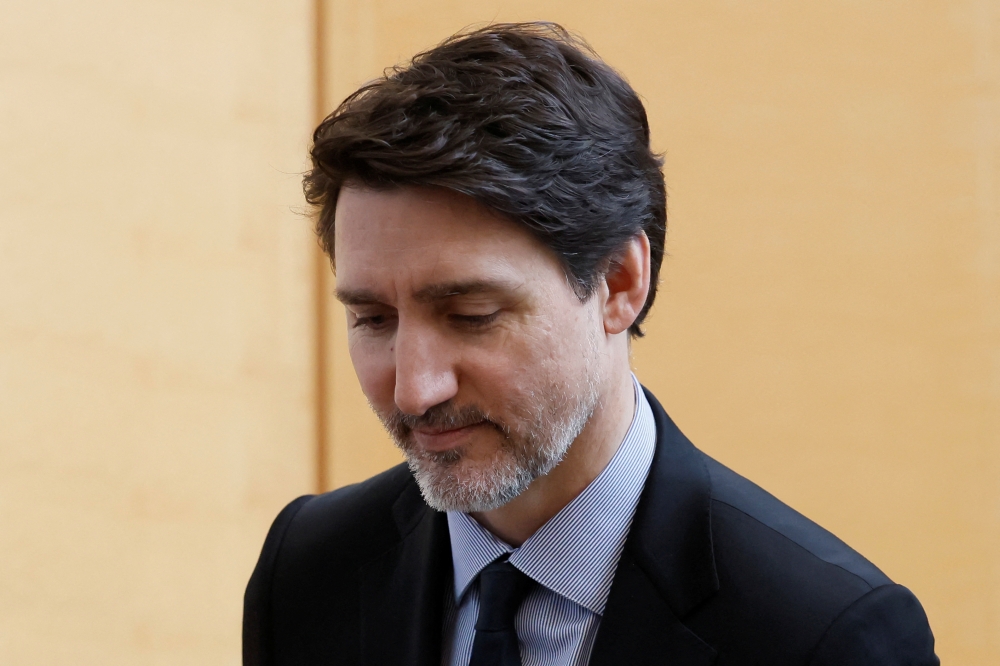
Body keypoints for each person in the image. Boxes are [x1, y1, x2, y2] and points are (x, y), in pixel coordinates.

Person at [243, 22, 938, 666]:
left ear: (619, 283)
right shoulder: (307, 570)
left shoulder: (825, 635)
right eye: (373, 320)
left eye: (472, 314)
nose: (414, 389)